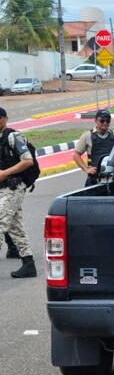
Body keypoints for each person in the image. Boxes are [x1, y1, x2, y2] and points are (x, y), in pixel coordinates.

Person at [0, 107, 37, 278]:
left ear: (5, 119)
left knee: (0, 223)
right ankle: (29, 264)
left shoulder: (13, 137)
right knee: (15, 227)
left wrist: (5, 173)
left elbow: (28, 161)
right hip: (2, 189)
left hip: (14, 187)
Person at [72, 109, 114, 186]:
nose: (105, 123)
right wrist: (86, 169)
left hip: (111, 179)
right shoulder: (88, 136)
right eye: (102, 121)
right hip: (94, 179)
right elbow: (76, 155)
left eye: (108, 121)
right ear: (96, 121)